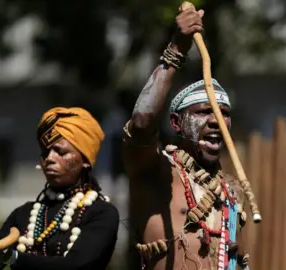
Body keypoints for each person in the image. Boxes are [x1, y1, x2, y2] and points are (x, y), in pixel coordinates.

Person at [123, 6, 250, 270]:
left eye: (224, 113)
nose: (216, 120)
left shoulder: (230, 191)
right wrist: (177, 48)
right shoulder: (157, 171)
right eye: (205, 112)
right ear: (176, 123)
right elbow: (142, 122)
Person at [0, 107, 120, 270]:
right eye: (45, 152)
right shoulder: (23, 215)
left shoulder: (102, 213)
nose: (50, 158)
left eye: (60, 152)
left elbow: (75, 265)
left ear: (85, 161)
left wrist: (14, 257)